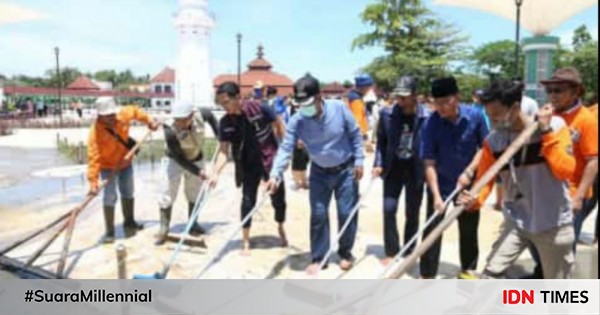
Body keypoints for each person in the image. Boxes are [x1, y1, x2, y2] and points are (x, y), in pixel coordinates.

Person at [459, 80, 576, 279]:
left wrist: (546, 133)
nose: (492, 122)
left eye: (496, 116)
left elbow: (565, 170)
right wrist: (474, 200)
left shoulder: (554, 127)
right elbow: (484, 180)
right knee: (490, 275)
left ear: (514, 108)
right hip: (517, 221)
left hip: (553, 223)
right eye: (489, 116)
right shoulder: (493, 141)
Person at [266, 74, 365, 274]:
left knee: (346, 213)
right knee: (319, 214)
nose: (305, 109)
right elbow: (286, 148)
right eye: (301, 104)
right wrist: (275, 174)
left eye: (308, 103)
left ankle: (345, 253)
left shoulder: (339, 109)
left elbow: (355, 134)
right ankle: (320, 256)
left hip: (345, 170)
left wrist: (360, 160)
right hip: (319, 172)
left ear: (320, 97)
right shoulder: (298, 120)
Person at [419, 77, 489, 279]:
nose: (440, 107)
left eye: (445, 102)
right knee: (432, 229)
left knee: (468, 230)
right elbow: (429, 162)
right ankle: (427, 274)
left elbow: (484, 148)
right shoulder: (430, 123)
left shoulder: (474, 116)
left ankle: (468, 271)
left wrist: (469, 171)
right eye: (436, 102)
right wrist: (436, 195)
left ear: (456, 98)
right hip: (439, 182)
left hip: (468, 185)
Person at [210, 82, 287, 255]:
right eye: (221, 104)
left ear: (238, 97)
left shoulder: (260, 108)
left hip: (270, 159)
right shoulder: (225, 122)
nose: (224, 107)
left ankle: (280, 226)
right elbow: (223, 151)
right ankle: (245, 240)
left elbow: (279, 124)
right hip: (247, 163)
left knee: (278, 199)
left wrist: (284, 151)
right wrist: (215, 173)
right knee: (247, 201)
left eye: (226, 102)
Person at [373, 76, 430, 265]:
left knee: (412, 212)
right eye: (398, 96)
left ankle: (409, 250)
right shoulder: (387, 114)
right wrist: (378, 163)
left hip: (416, 170)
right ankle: (391, 251)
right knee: (388, 209)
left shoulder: (427, 116)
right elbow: (381, 141)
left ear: (415, 96)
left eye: (405, 97)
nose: (400, 101)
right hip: (393, 168)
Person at [87, 97, 159, 243]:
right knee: (109, 196)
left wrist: (149, 121)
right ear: (100, 115)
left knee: (128, 191)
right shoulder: (95, 133)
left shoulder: (123, 114)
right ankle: (109, 232)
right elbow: (93, 158)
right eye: (107, 116)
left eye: (112, 114)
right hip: (107, 167)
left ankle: (129, 222)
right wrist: (93, 182)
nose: (111, 118)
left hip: (125, 162)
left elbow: (136, 112)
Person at [155, 100, 219, 245]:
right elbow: (179, 158)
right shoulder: (169, 129)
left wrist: (220, 136)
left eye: (183, 120)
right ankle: (164, 228)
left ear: (191, 115)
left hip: (197, 157)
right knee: (167, 192)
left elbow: (211, 118)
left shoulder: (201, 114)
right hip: (174, 160)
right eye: (177, 119)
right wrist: (199, 172)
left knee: (194, 193)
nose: (179, 123)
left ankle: (193, 224)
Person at [347, 74, 373, 151]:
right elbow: (357, 121)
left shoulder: (353, 96)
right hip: (356, 137)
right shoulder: (356, 100)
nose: (369, 89)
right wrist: (365, 138)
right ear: (364, 87)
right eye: (369, 87)